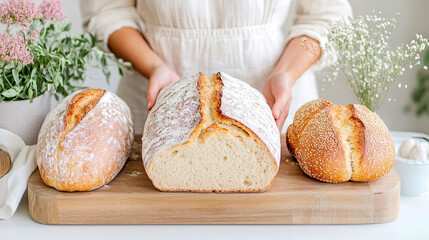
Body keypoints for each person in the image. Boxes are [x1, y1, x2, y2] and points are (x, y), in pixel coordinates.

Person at [80, 0, 352, 134]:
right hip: (155, 102)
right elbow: (108, 10)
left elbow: (325, 16)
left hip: (274, 105)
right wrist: (153, 67)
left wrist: (286, 73)